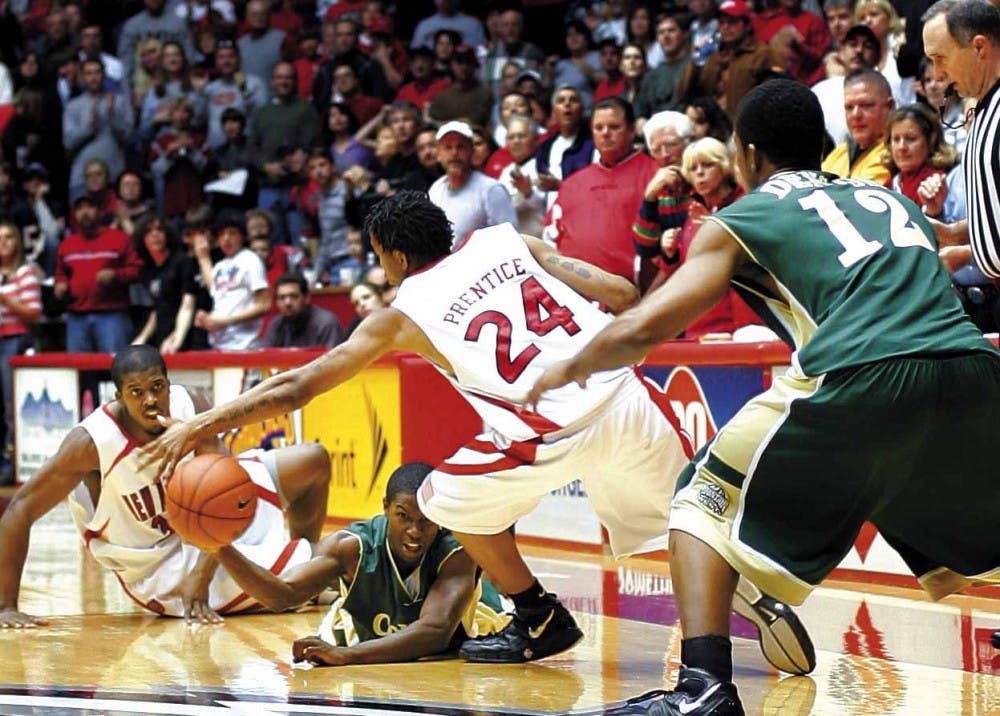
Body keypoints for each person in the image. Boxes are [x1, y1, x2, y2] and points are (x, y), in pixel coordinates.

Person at [137, 190, 814, 676]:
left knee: (442, 500)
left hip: (546, 425)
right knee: (684, 528)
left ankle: (538, 614)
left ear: (396, 257)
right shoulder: (504, 240)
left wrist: (199, 422)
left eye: (379, 258)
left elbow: (297, 387)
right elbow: (618, 291)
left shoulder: (402, 310)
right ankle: (733, 618)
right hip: (627, 396)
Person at [527, 78, 1000, 715]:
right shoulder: (888, 199)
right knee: (973, 538)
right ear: (824, 142)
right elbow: (948, 244)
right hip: (972, 366)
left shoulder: (742, 217)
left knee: (701, 501)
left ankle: (702, 690)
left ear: (746, 154)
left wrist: (570, 364)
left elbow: (647, 322)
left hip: (862, 370)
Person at [0, 345, 328, 627]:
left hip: (209, 532)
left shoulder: (192, 405)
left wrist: (204, 574)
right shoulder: (91, 443)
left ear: (169, 384)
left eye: (157, 387)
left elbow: (225, 493)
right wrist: (6, 607)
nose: (150, 400)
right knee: (326, 564)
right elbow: (21, 508)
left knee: (313, 460)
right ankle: (303, 569)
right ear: (119, 397)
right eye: (136, 392)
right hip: (161, 565)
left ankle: (301, 565)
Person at [209, 461, 510, 665]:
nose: (415, 531)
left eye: (425, 520)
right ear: (386, 509)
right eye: (403, 516)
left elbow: (435, 631)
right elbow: (282, 594)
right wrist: (218, 547)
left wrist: (346, 655)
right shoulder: (350, 547)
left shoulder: (455, 550)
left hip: (460, 645)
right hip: (368, 645)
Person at [921, 0, 1000, 281]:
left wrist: (968, 253)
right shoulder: (981, 110)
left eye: (940, 58)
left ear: (979, 48)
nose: (938, 74)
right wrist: (956, 233)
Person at [427, 121, 517, 248]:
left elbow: (511, 241)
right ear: (439, 155)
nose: (454, 153)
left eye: (460, 147)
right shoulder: (436, 189)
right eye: (448, 147)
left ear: (472, 151)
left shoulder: (491, 190)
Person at [0, 222, 40, 481]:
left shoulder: (25, 273)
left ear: (17, 241)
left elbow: (34, 312)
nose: (3, 243)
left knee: (10, 404)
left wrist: (5, 299)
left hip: (15, 340)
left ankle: (10, 463)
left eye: (8, 237)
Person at [821, 69, 894, 183]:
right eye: (849, 107)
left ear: (890, 106)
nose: (856, 115)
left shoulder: (896, 152)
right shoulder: (840, 153)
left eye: (866, 106)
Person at [261, 272, 344, 349]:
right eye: (282, 298)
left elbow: (333, 361)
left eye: (294, 296)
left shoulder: (326, 323)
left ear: (307, 298)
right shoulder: (275, 324)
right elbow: (264, 359)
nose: (287, 303)